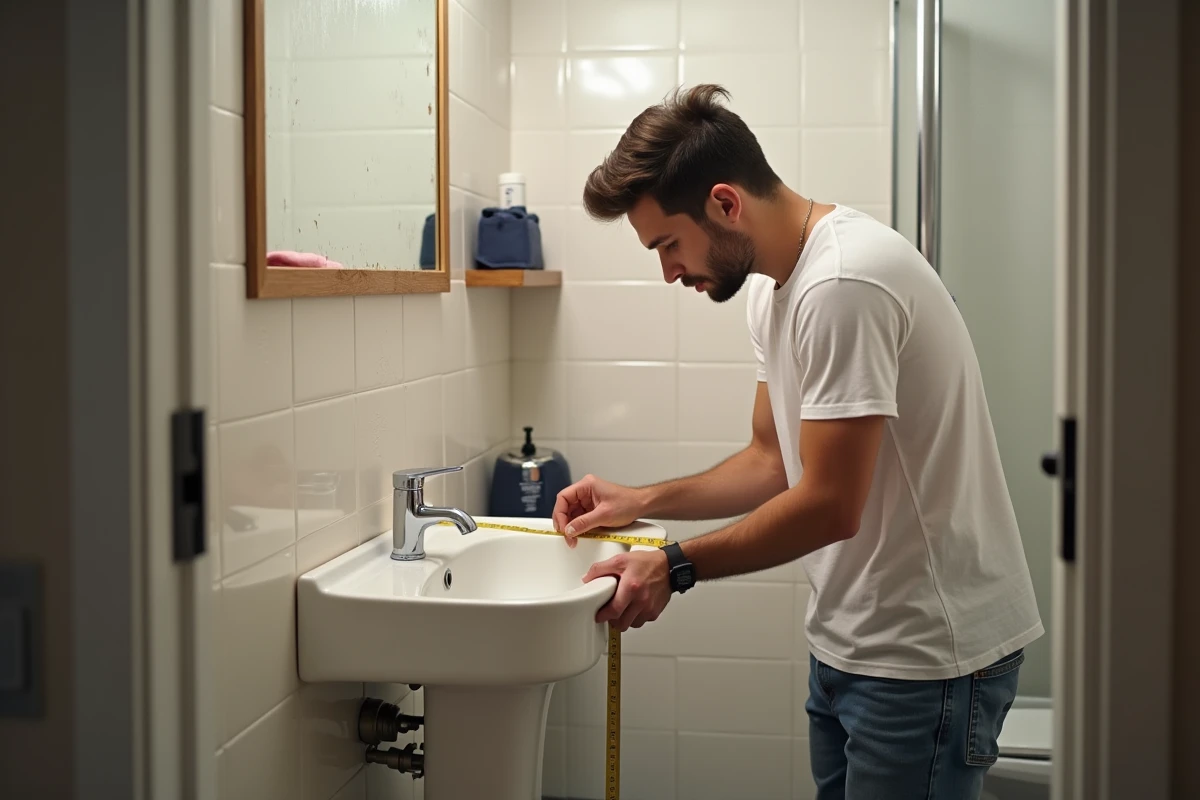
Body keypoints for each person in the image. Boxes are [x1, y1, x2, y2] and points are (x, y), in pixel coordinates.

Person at [551, 84, 1044, 799]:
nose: (668, 272)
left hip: (927, 656)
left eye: (668, 244)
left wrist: (674, 566)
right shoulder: (773, 287)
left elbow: (830, 505)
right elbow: (771, 461)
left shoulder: (845, 283)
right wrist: (641, 500)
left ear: (725, 203)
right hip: (852, 644)